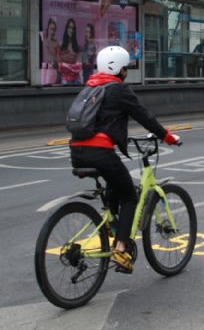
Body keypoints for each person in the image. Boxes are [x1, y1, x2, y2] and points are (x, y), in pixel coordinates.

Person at [69, 46, 181, 273]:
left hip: (76, 151)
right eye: (125, 68)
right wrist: (167, 137)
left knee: (114, 184)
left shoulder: (90, 88)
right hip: (100, 153)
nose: (126, 72)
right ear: (119, 68)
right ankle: (121, 248)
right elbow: (144, 116)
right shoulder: (118, 90)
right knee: (129, 195)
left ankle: (112, 223)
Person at [59, 18, 81, 84]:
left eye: (73, 28)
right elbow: (60, 65)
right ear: (66, 28)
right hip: (65, 79)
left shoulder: (77, 46)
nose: (71, 30)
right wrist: (72, 66)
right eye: (69, 27)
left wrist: (67, 66)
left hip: (76, 79)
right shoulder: (61, 45)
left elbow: (79, 65)